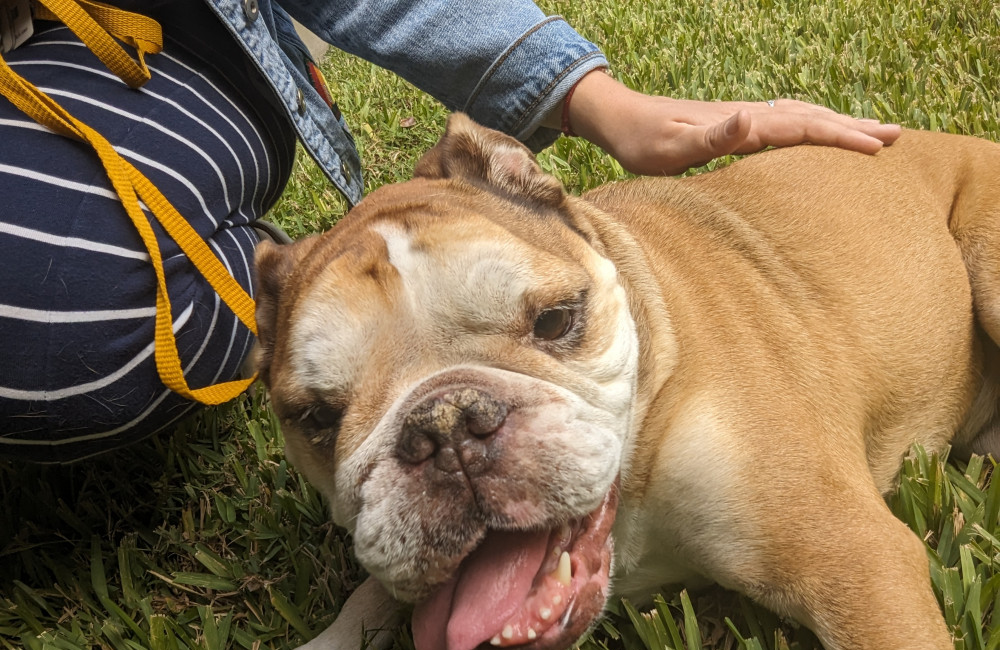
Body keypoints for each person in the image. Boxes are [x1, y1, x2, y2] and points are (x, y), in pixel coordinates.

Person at [0, 0, 900, 463]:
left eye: (553, 323)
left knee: (70, 307)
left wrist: (599, 102)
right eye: (327, 411)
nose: (456, 439)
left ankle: (249, 249)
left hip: (137, 39)